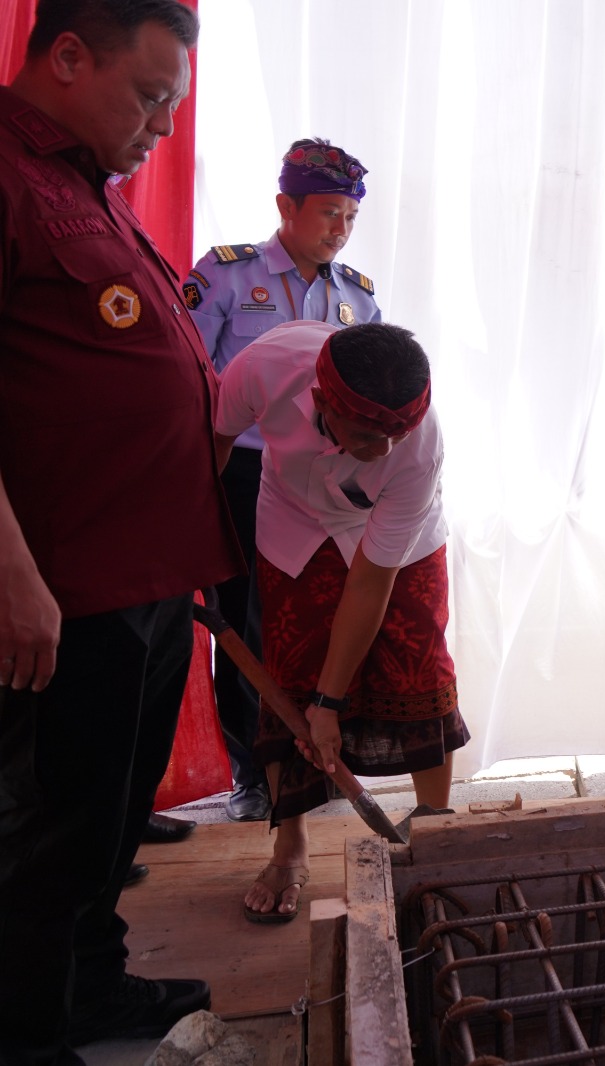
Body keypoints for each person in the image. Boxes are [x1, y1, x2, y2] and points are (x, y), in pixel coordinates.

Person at [0, 2, 242, 1061]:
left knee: (104, 825)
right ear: (64, 55)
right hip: (61, 590)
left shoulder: (82, 187)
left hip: (141, 577)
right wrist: (11, 575)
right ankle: (27, 1031)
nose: (158, 128)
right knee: (42, 840)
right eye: (146, 97)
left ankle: (91, 987)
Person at [214, 319, 465, 922]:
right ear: (324, 401)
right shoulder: (262, 367)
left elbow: (371, 581)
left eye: (394, 435)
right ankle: (290, 844)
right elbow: (214, 446)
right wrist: (200, 544)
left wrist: (329, 705)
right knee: (289, 670)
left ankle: (431, 832)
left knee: (416, 663)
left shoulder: (420, 445)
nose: (381, 449)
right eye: (363, 434)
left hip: (397, 536)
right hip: (294, 518)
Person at [186, 137, 380, 823]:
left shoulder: (357, 296)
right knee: (246, 622)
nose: (340, 229)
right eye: (328, 212)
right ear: (285, 206)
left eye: (350, 218)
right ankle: (254, 773)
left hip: (323, 484)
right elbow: (185, 376)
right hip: (238, 473)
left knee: (323, 619)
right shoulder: (228, 276)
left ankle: (320, 760)